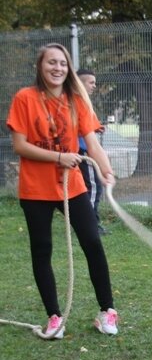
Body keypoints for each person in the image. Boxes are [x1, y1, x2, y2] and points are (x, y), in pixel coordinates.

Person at [7, 43, 119, 338]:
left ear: (68, 68)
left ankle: (107, 311)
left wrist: (106, 170)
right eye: (51, 62)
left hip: (72, 186)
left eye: (62, 63)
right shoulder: (25, 98)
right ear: (40, 66)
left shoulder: (77, 100)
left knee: (93, 242)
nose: (57, 68)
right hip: (35, 189)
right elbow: (19, 145)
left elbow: (92, 144)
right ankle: (54, 317)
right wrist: (59, 157)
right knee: (42, 249)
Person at [75, 68, 106, 235]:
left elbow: (85, 126)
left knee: (87, 188)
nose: (94, 86)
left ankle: (88, 222)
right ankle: (92, 224)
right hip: (83, 151)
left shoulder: (81, 101)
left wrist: (96, 128)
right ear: (80, 83)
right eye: (91, 82)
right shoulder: (77, 101)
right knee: (94, 187)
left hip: (82, 149)